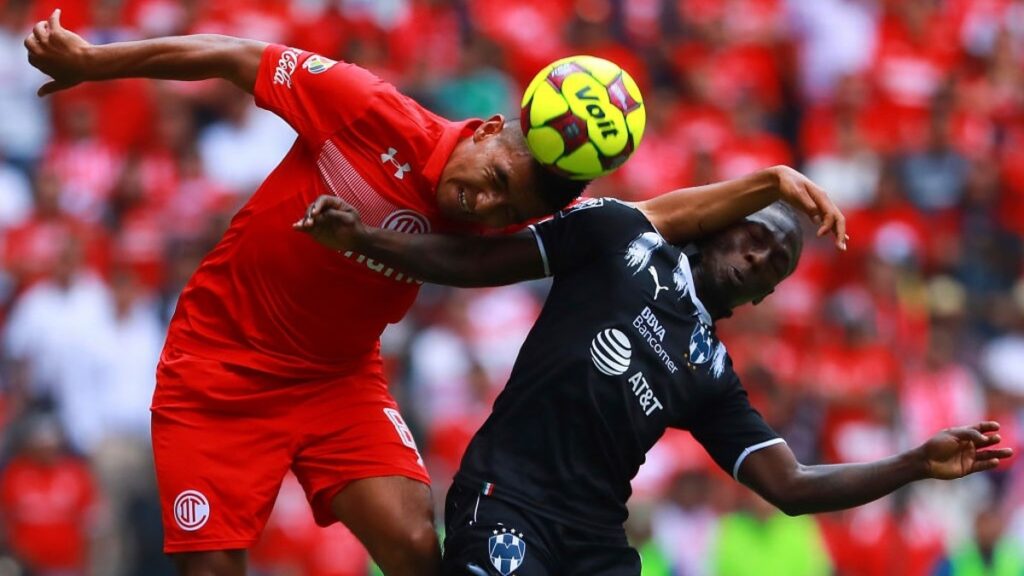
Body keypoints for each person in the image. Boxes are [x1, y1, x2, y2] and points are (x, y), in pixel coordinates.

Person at [24, 9, 848, 576]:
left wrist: (768, 178)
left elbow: (657, 215)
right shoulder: (369, 109)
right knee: (213, 565)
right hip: (218, 371)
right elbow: (238, 58)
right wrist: (97, 62)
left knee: (427, 552)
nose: (481, 204)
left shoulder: (527, 215)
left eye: (506, 208)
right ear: (491, 131)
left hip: (338, 383)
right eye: (493, 180)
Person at [296, 194, 1012, 576]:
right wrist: (365, 239)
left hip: (595, 543)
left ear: (765, 297)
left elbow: (790, 486)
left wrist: (915, 464)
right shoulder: (619, 239)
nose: (759, 258)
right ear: (719, 226)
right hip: (506, 500)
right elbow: (479, 262)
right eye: (755, 236)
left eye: (776, 264)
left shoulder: (710, 372)